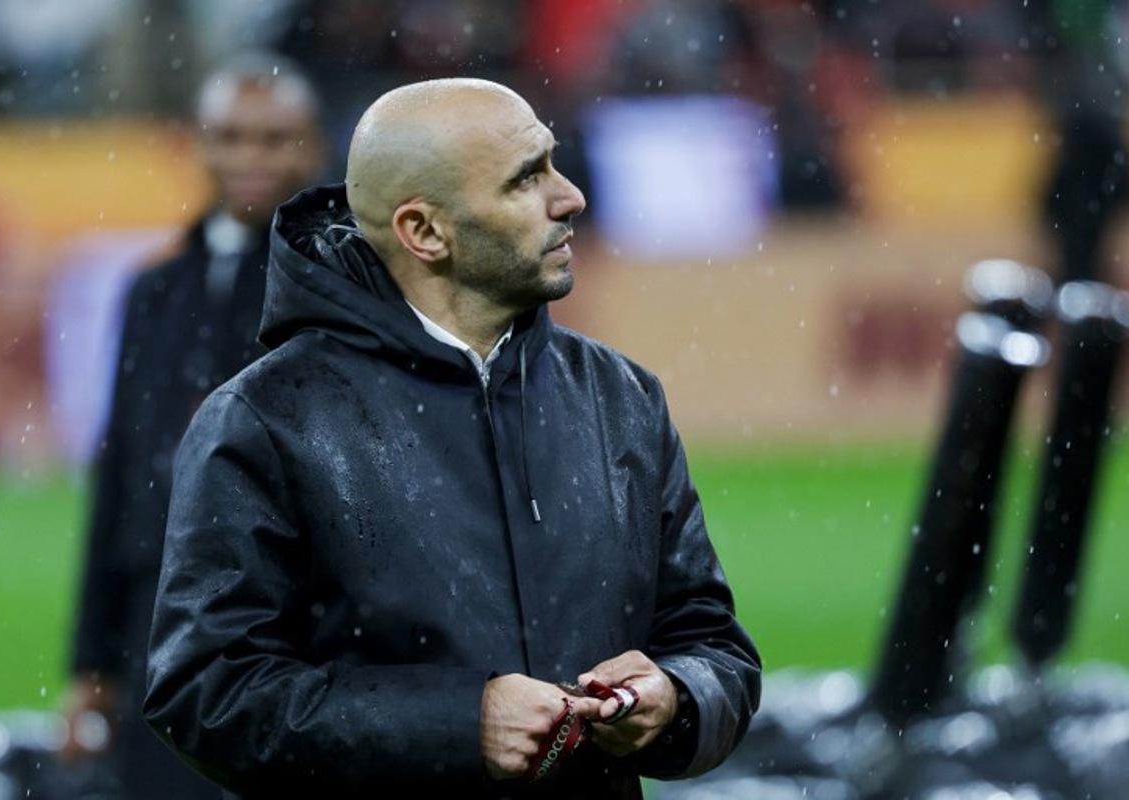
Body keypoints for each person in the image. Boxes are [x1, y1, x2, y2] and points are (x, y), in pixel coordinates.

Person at [143, 78, 760, 799]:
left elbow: (711, 643)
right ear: (425, 232)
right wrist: (458, 724)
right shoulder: (265, 418)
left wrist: (674, 698)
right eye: (527, 178)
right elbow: (207, 692)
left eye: (552, 164)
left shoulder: (620, 398)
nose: (570, 198)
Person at [62, 53, 325, 798]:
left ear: (312, 146)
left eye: (273, 139)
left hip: (294, 616)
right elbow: (119, 470)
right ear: (199, 144)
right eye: (231, 137)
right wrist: (91, 661)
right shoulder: (155, 290)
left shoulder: (342, 283)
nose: (250, 158)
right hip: (158, 618)